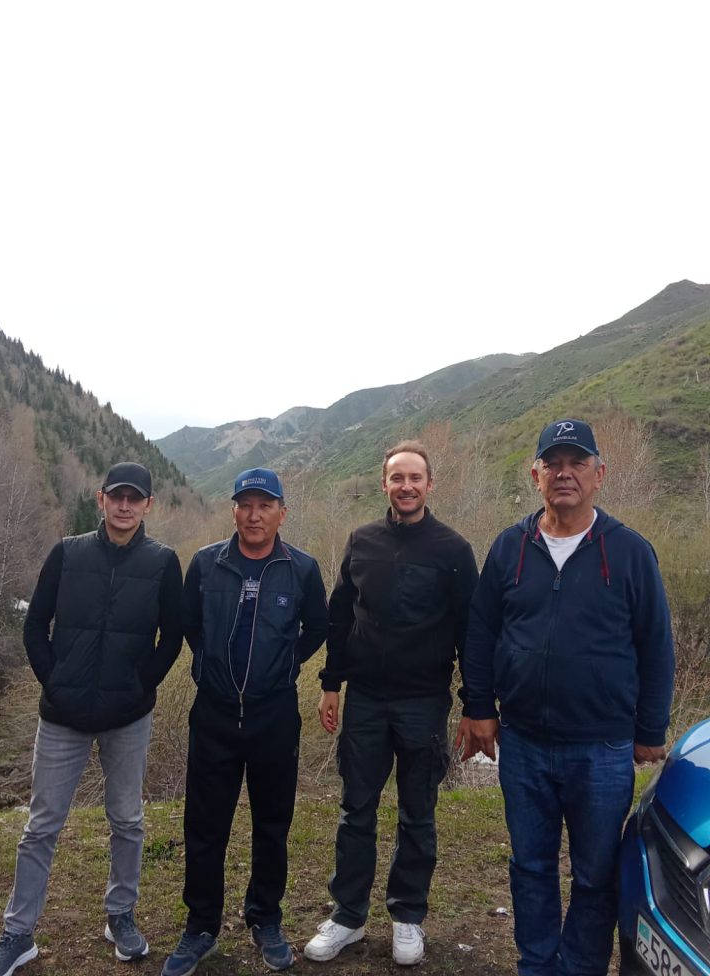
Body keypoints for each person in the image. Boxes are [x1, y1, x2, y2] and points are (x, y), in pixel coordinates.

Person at [456, 418, 675, 976]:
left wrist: (650, 729)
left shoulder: (629, 551)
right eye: (552, 463)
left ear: (599, 474)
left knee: (595, 874)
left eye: (577, 462)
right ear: (535, 476)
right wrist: (478, 707)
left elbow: (655, 644)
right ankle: (537, 964)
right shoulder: (510, 546)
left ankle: (579, 967)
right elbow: (481, 631)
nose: (564, 473)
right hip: (524, 743)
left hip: (601, 748)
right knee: (529, 867)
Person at [0, 462, 184, 976]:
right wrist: (56, 682)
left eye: (135, 498)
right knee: (41, 825)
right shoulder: (67, 554)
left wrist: (139, 687)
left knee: (128, 820)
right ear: (101, 499)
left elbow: (172, 637)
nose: (125, 506)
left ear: (148, 505)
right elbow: (34, 626)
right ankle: (18, 934)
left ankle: (120, 915)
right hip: (62, 716)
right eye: (117, 496)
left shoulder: (163, 562)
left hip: (127, 717)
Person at [304, 441, 478, 966]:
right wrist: (330, 684)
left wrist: (476, 704)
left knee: (417, 814)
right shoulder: (362, 541)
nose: (406, 486)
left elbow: (471, 632)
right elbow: (339, 615)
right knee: (355, 810)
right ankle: (348, 916)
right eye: (397, 478)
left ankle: (407, 916)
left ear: (429, 485)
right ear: (384, 484)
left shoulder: (453, 550)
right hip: (365, 700)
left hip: (424, 702)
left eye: (414, 478)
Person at [162, 467, 329, 976]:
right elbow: (189, 625)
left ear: (282, 512)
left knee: (272, 824)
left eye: (265, 505)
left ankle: (265, 918)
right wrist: (211, 667)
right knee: (204, 826)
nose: (254, 515)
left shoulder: (302, 568)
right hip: (213, 714)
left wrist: (284, 665)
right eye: (245, 505)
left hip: (273, 716)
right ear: (233, 510)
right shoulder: (206, 563)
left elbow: (317, 628)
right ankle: (201, 927)